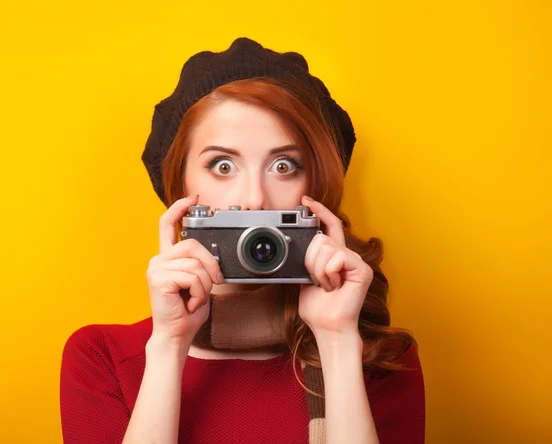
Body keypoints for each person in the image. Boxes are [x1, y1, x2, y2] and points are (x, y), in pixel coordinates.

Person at [60, 37, 425, 444]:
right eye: (222, 165)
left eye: (284, 166)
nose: (254, 200)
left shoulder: (379, 359)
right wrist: (169, 345)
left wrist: (338, 344)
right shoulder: (101, 358)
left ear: (316, 190)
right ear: (180, 188)